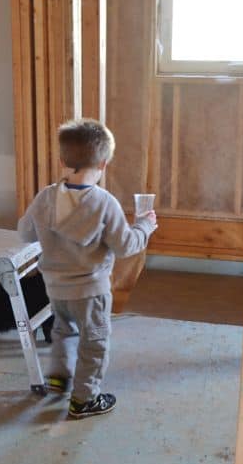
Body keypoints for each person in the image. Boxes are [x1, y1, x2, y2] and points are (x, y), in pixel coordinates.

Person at [17, 118, 157, 419]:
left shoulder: (45, 197)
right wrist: (145, 226)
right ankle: (84, 400)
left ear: (62, 159)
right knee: (94, 343)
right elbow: (126, 246)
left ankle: (58, 377)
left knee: (63, 330)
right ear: (103, 164)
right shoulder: (105, 204)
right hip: (90, 291)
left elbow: (25, 234)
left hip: (55, 288)